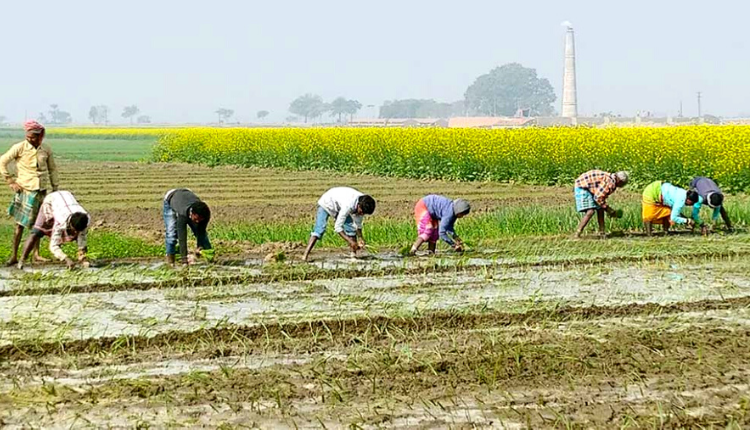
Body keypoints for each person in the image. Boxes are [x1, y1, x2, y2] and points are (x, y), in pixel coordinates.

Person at [0, 120, 59, 265]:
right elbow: (2, 161)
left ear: (40, 136)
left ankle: (36, 254)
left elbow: (52, 169)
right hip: (25, 190)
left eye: (33, 137)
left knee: (38, 225)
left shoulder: (46, 149)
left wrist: (55, 187)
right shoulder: (19, 147)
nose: (30, 139)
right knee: (19, 225)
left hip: (41, 190)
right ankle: (14, 255)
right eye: (28, 136)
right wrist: (11, 182)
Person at [16, 191, 89, 270]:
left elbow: (82, 237)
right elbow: (53, 246)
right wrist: (66, 258)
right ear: (70, 224)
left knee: (77, 236)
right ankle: (22, 260)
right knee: (37, 232)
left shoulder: (86, 219)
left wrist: (82, 254)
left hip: (66, 198)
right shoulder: (61, 219)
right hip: (50, 201)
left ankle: (71, 258)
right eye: (74, 230)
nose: (76, 233)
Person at [302, 187, 376, 261]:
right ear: (359, 206)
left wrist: (360, 238)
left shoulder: (364, 203)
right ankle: (305, 256)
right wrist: (350, 241)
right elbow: (338, 227)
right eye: (361, 212)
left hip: (339, 204)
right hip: (327, 202)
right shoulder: (348, 205)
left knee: (351, 228)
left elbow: (357, 224)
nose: (361, 214)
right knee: (319, 229)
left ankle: (353, 256)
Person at [163, 189, 213, 266]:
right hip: (171, 198)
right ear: (192, 214)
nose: (197, 222)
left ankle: (210, 259)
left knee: (203, 236)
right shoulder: (182, 214)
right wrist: (184, 261)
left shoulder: (205, 214)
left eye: (200, 220)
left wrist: (199, 249)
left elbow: (201, 232)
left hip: (186, 194)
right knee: (171, 234)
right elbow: (182, 238)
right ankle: (170, 261)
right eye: (196, 219)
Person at [573, 170, 628, 237]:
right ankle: (578, 233)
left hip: (590, 186)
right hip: (582, 186)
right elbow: (598, 198)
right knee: (591, 211)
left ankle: (602, 232)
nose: (622, 186)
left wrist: (605, 207)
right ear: (619, 181)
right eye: (622, 184)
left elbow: (600, 197)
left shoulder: (612, 179)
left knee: (600, 209)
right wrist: (608, 209)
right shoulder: (609, 183)